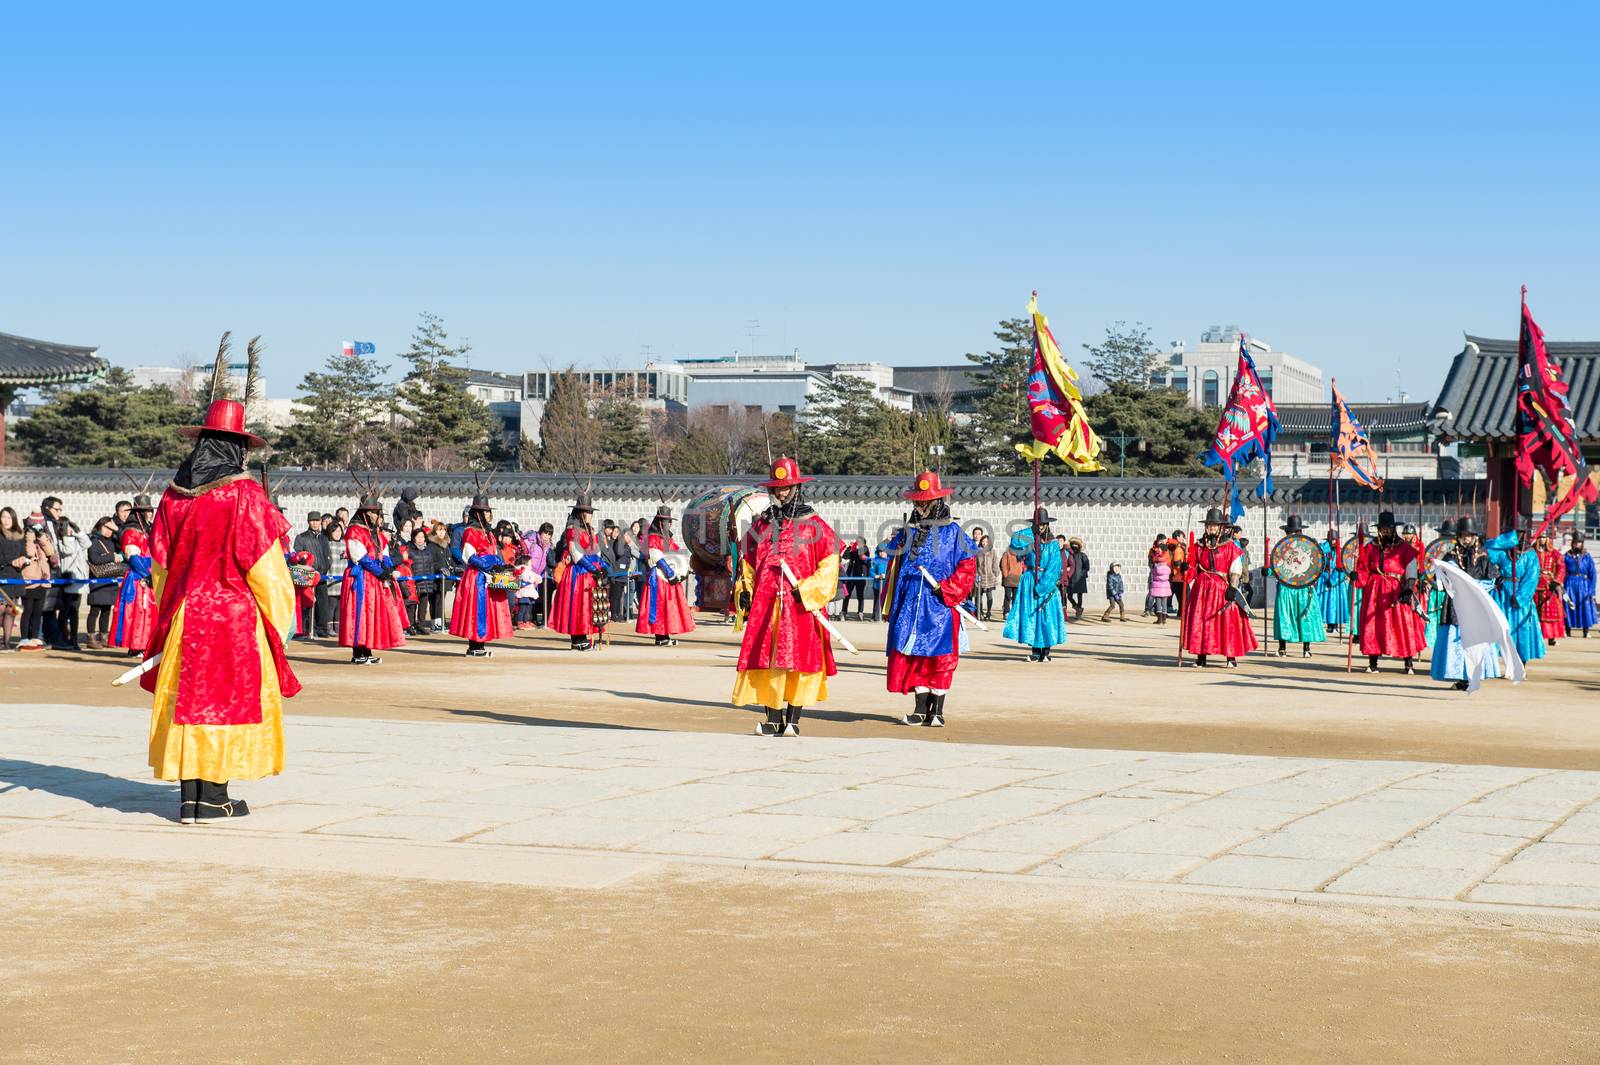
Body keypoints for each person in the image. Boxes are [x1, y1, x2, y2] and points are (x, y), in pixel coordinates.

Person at [140, 396, 300, 823]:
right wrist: (279, 620)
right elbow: (267, 569)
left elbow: (161, 567)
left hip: (185, 613)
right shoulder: (244, 497)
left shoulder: (172, 499)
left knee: (187, 703)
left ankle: (190, 797)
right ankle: (214, 797)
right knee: (224, 705)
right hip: (232, 617)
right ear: (238, 449)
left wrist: (173, 606)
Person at [732, 457, 841, 737]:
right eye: (777, 488)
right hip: (767, 607)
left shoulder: (815, 526)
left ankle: (793, 718)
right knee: (769, 661)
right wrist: (744, 590)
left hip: (800, 606)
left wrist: (806, 590)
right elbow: (746, 562)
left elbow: (829, 567)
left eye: (786, 487)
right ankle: (772, 719)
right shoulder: (761, 526)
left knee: (798, 661)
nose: (781, 492)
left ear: (796, 487)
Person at [880, 471, 976, 728]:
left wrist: (948, 589)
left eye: (926, 501)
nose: (921, 506)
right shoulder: (906, 533)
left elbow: (968, 565)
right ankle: (920, 709)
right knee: (914, 654)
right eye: (917, 501)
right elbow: (894, 567)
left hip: (940, 603)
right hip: (911, 603)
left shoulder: (954, 533)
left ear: (937, 502)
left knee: (940, 657)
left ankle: (938, 711)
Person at [1430, 517, 1506, 691]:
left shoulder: (1483, 558)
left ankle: (1474, 674)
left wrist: (1480, 586)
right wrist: (1438, 570)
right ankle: (1461, 677)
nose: (1466, 538)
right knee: (1456, 639)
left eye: (1469, 535)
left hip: (1475, 604)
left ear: (1475, 537)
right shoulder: (1450, 557)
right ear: (1458, 536)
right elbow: (1441, 580)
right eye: (1463, 535)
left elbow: (1493, 579)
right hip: (1455, 604)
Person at [1180, 507, 1256, 668]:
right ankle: (1201, 657)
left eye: (1215, 525)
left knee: (1227, 621)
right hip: (1201, 589)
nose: (1212, 527)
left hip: (1222, 588)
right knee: (1201, 622)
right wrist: (1186, 568)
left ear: (1221, 527)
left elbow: (1236, 569)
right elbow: (1193, 569)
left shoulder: (1229, 546)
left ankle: (1231, 657)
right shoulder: (1199, 546)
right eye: (1209, 525)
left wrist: (1233, 588)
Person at [1355, 510, 1427, 674]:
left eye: (1389, 528)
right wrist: (1356, 575)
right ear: (1379, 529)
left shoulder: (1404, 548)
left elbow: (1410, 568)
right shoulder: (1370, 547)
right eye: (1383, 528)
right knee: (1372, 625)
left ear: (1394, 529)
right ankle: (1372, 663)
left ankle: (1408, 663)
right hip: (1374, 590)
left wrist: (1409, 587)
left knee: (1403, 624)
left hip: (1395, 590)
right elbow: (1364, 570)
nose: (1386, 531)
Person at [339, 493, 408, 665]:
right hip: (361, 578)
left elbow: (383, 553)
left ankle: (367, 650)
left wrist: (388, 568)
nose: (375, 515)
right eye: (372, 512)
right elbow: (361, 557)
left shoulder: (375, 532)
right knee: (359, 614)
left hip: (374, 579)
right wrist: (381, 572)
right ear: (364, 513)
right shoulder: (354, 531)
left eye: (377, 512)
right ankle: (358, 652)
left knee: (370, 615)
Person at [449, 493, 513, 658]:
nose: (487, 515)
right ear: (477, 513)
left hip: (488, 576)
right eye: (484, 512)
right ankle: (474, 646)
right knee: (476, 611)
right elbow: (468, 556)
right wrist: (490, 562)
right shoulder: (470, 531)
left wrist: (500, 563)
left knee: (485, 611)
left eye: (488, 511)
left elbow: (494, 552)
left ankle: (480, 644)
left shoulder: (489, 533)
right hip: (476, 576)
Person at [1003, 508, 1066, 662]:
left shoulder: (1053, 544)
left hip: (1046, 583)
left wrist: (1043, 587)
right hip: (1030, 580)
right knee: (1032, 617)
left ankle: (1046, 651)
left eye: (1044, 524)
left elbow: (1054, 567)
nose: (1042, 527)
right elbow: (1015, 541)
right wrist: (1032, 531)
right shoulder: (1029, 540)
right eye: (1039, 524)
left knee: (1046, 616)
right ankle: (1035, 651)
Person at [550, 494, 606, 651]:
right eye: (587, 512)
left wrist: (602, 568)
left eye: (591, 512)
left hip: (589, 574)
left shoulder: (590, 530)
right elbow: (576, 555)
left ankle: (583, 637)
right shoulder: (572, 530)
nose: (590, 515)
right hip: (578, 573)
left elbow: (597, 551)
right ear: (580, 513)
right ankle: (577, 639)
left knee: (587, 607)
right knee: (576, 606)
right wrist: (594, 568)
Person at [1486, 525, 1545, 666]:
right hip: (1504, 596)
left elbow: (1532, 577)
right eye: (1512, 533)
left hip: (1521, 595)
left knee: (1521, 630)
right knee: (1504, 628)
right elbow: (1488, 548)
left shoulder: (1530, 554)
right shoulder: (1503, 553)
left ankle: (1521, 664)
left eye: (1518, 533)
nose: (1516, 536)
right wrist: (1506, 540)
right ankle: (1508, 663)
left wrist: (1520, 597)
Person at [636, 505, 695, 646]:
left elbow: (674, 556)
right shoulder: (653, 537)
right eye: (666, 521)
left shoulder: (668, 538)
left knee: (668, 608)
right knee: (660, 607)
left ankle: (665, 635)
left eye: (670, 521)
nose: (669, 524)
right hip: (660, 576)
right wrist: (670, 574)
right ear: (660, 522)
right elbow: (657, 557)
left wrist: (682, 571)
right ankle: (660, 637)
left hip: (669, 577)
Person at [1271, 514, 1325, 658]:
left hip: (1304, 586)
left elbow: (1317, 565)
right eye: (1290, 532)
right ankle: (1282, 647)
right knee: (1284, 616)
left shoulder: (1309, 546)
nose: (1292, 535)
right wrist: (1268, 569)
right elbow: (1275, 565)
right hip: (1286, 587)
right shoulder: (1281, 549)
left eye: (1295, 532)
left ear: (1300, 533)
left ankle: (1306, 648)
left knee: (1305, 617)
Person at [111, 494, 157, 655]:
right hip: (139, 578)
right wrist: (147, 574)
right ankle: (136, 645)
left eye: (150, 510)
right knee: (138, 613)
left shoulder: (149, 530)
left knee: (149, 614)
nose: (149, 514)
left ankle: (146, 645)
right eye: (146, 511)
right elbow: (132, 556)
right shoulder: (131, 531)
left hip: (150, 575)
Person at [12, 523, 53, 651]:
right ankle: (24, 638)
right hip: (30, 581)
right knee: (27, 611)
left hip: (42, 580)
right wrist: (29, 536)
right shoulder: (23, 541)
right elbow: (29, 553)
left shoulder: (41, 542)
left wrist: (41, 536)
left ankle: (35, 638)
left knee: (38, 612)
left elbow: (51, 552)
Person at [84, 516, 124, 649]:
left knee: (107, 610)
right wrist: (111, 556)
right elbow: (94, 559)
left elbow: (123, 543)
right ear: (99, 526)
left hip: (110, 579)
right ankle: (91, 637)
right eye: (106, 527)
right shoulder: (93, 540)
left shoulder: (112, 541)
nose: (108, 531)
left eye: (110, 528)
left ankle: (104, 636)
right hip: (98, 580)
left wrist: (117, 529)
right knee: (95, 610)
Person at [293, 512, 333, 638]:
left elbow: (328, 554)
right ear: (308, 522)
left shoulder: (323, 538)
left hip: (321, 575)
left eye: (317, 520)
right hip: (306, 576)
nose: (315, 523)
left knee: (322, 603)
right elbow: (298, 554)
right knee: (306, 603)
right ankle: (304, 629)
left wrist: (327, 565)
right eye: (312, 521)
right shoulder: (302, 537)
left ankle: (321, 628)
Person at [53, 515, 90, 650]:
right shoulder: (61, 541)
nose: (69, 529)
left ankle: (73, 639)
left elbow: (87, 544)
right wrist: (67, 536)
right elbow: (68, 551)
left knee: (75, 611)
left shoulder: (74, 539)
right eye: (66, 526)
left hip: (79, 580)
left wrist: (77, 531)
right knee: (65, 611)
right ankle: (62, 637)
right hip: (68, 579)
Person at [406, 526, 443, 634]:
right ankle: (411, 625)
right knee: (412, 605)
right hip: (414, 582)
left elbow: (432, 565)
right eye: (418, 537)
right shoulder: (409, 550)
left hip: (426, 582)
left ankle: (421, 625)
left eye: (422, 537)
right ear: (414, 538)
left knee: (423, 605)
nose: (420, 539)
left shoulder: (428, 550)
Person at [1535, 532, 1566, 648]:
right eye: (1540, 538)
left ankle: (1552, 637)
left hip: (1549, 585)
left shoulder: (1555, 553)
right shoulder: (1532, 552)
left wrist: (1556, 581)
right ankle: (1538, 636)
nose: (1542, 540)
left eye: (1544, 537)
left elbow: (1561, 568)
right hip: (1535, 584)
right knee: (1535, 613)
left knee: (1551, 612)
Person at [1565, 534, 1597, 638]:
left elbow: (1593, 574)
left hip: (1584, 584)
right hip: (1570, 583)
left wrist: (1592, 591)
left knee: (1585, 606)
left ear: (1582, 544)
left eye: (1580, 543)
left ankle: (1586, 631)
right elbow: (1562, 570)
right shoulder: (1567, 555)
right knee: (1569, 605)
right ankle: (1567, 630)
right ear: (1572, 544)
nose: (1577, 545)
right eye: (1576, 543)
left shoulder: (1587, 556)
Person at [602, 520, 633, 623]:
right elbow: (619, 554)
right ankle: (613, 613)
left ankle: (617, 613)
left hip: (623, 575)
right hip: (617, 574)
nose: (629, 538)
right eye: (628, 536)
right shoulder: (619, 543)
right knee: (614, 596)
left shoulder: (627, 546)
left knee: (619, 595)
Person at [841, 539, 870, 620]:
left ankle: (860, 612)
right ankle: (844, 612)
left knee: (860, 595)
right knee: (847, 595)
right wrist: (849, 547)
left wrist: (858, 547)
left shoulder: (865, 548)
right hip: (851, 576)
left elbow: (862, 556)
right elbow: (845, 556)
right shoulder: (854, 549)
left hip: (860, 576)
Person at [1063, 537, 1089, 620]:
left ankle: (1078, 611)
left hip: (1080, 579)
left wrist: (1082, 574)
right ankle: (1077, 607)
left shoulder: (1083, 555)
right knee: (1069, 596)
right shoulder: (1069, 554)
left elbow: (1086, 566)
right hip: (1070, 578)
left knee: (1079, 596)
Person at [974, 534, 999, 622]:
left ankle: (988, 612)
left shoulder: (992, 551)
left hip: (990, 576)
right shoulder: (977, 552)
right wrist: (976, 575)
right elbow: (975, 564)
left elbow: (995, 563)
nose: (984, 543)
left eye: (986, 542)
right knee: (979, 596)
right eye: (983, 541)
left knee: (989, 596)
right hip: (980, 576)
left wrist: (995, 574)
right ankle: (979, 612)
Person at [999, 540, 1024, 618]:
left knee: (1016, 597)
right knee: (1007, 596)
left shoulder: (1021, 555)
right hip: (1009, 579)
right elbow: (1003, 565)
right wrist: (1006, 575)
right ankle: (1006, 612)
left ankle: (1014, 612)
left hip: (1018, 579)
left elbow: (1023, 566)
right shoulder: (1007, 554)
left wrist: (1022, 574)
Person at [1166, 529, 1188, 617]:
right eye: (1183, 537)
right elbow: (1177, 562)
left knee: (1169, 595)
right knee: (1184, 596)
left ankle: (1161, 610)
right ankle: (1182, 613)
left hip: (1171, 574)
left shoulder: (1170, 546)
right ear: (1178, 537)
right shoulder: (1178, 548)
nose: (1184, 539)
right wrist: (1183, 567)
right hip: (1178, 575)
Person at [1147, 552, 1172, 624]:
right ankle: (1164, 620)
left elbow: (1152, 573)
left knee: (1158, 603)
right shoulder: (1168, 569)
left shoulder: (1155, 569)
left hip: (1157, 587)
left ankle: (1159, 619)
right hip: (1165, 587)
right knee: (1164, 603)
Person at [869, 543, 891, 621]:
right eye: (880, 551)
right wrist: (876, 576)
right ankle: (875, 616)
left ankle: (885, 617)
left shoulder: (890, 561)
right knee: (877, 601)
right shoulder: (875, 561)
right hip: (877, 585)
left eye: (884, 551)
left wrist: (887, 576)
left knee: (885, 601)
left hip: (887, 585)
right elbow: (871, 571)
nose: (882, 553)